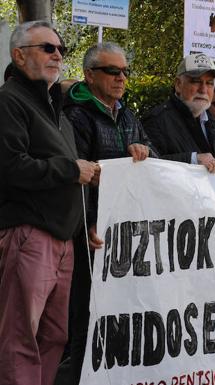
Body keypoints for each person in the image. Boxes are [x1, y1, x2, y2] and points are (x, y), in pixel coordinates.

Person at [0, 20, 98, 385]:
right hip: (29, 234)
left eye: (62, 50)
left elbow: (75, 176)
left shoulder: (55, 109)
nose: (58, 55)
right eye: (48, 48)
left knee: (54, 335)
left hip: (63, 239)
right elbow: (11, 167)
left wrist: (85, 222)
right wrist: (70, 170)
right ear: (19, 55)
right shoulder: (9, 101)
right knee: (20, 338)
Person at [63, 41, 155, 384]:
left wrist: (144, 150)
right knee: (89, 323)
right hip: (94, 238)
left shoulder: (127, 115)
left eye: (124, 71)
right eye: (112, 71)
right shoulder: (76, 116)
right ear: (89, 75)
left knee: (124, 318)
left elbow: (156, 165)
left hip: (127, 236)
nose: (121, 78)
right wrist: (86, 222)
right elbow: (77, 177)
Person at [143, 53, 215, 176]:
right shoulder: (157, 120)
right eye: (196, 81)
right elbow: (148, 167)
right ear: (178, 85)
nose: (203, 90)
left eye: (209, 83)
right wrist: (192, 159)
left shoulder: (212, 122)